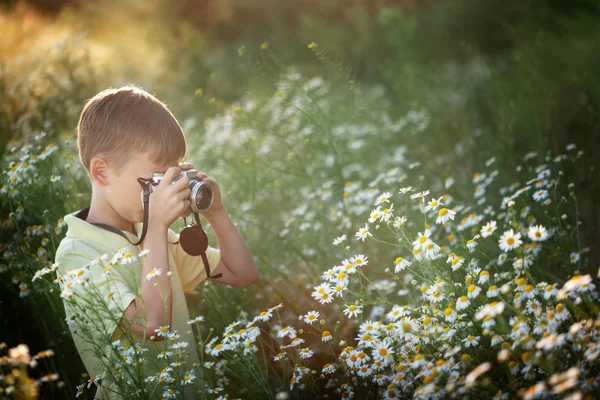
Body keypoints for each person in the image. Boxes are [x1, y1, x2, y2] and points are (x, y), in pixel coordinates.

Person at [54, 85, 258, 399]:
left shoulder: (154, 235)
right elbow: (154, 327)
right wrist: (158, 226)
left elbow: (242, 273)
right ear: (102, 171)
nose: (168, 191)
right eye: (156, 181)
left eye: (172, 177)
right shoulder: (78, 255)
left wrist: (216, 212)